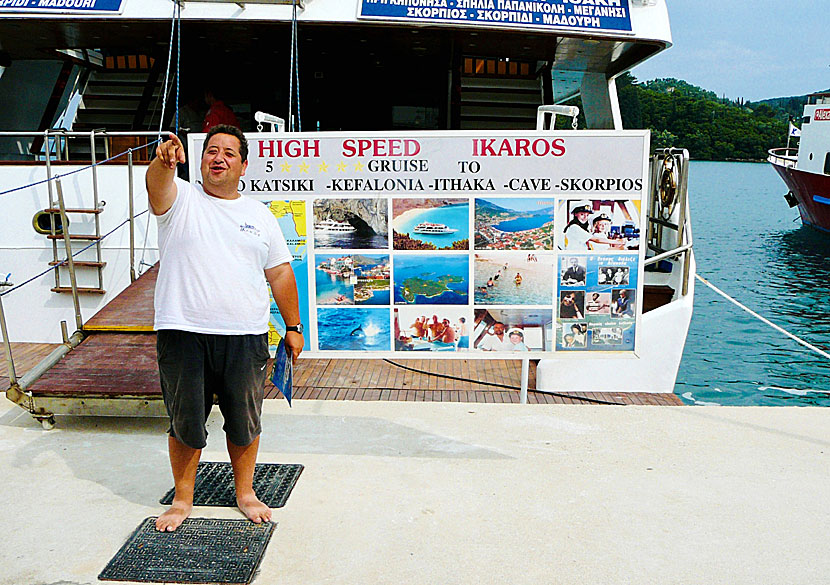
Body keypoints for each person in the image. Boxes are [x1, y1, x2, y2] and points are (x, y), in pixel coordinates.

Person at [147, 126, 304, 532]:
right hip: (182, 332)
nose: (218, 158)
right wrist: (163, 161)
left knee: (244, 420)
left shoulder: (259, 214)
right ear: (199, 162)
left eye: (229, 153)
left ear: (244, 165)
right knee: (186, 421)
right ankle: (182, 499)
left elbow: (282, 273)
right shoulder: (181, 198)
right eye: (211, 151)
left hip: (245, 336)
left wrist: (294, 326)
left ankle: (245, 493)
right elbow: (157, 184)